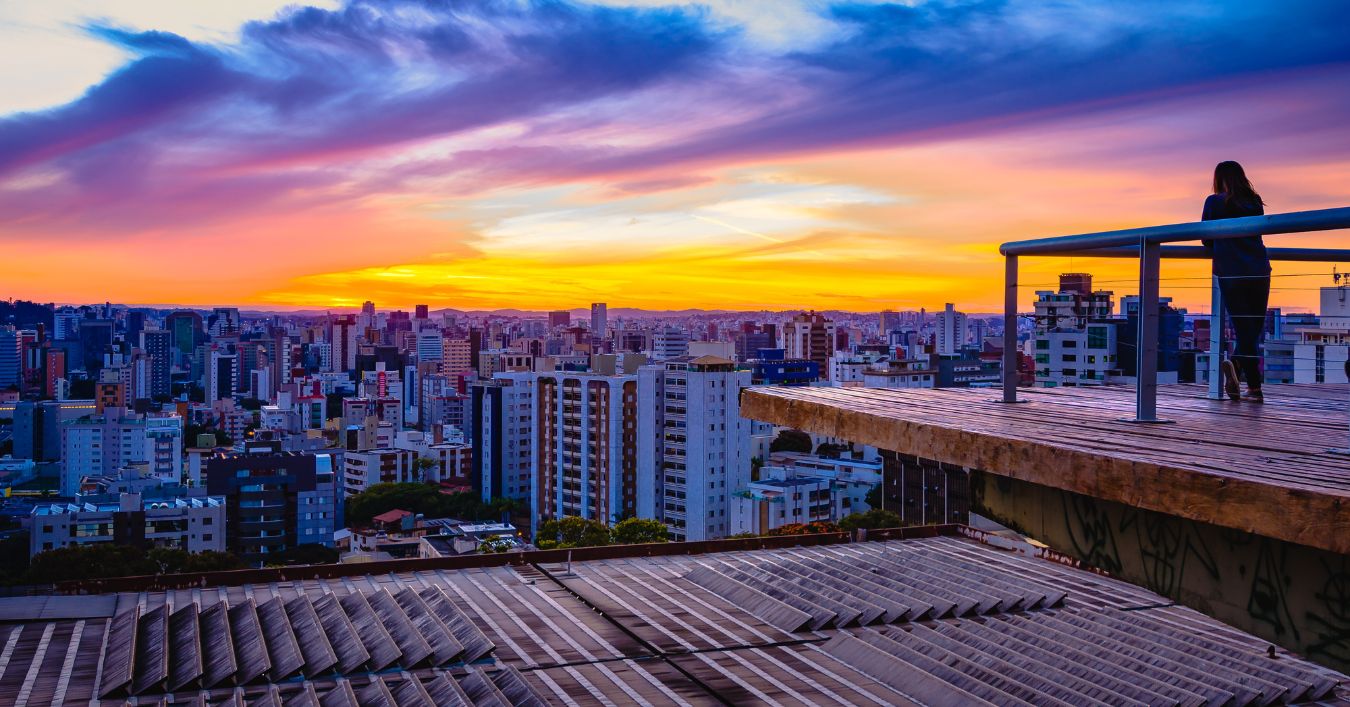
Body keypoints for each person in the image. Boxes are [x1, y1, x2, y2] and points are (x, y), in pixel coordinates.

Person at [1202, 160, 1270, 402]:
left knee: (1245, 330)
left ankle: (1253, 388)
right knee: (1252, 329)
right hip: (1259, 269)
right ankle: (1238, 370)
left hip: (1231, 271)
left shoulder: (1214, 202)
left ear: (1218, 178)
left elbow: (1206, 238)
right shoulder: (1254, 200)